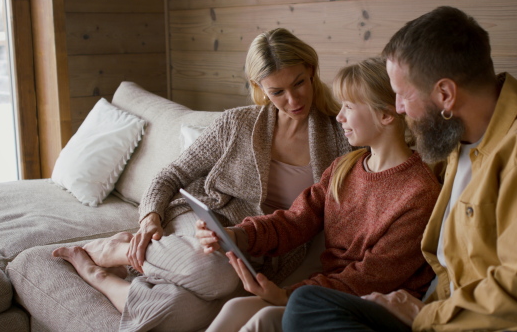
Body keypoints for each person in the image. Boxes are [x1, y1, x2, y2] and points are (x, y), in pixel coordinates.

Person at [282, 6, 517, 332]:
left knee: (304, 308)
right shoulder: (455, 138)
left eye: (400, 95)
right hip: (440, 312)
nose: (397, 109)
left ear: (444, 94)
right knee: (307, 304)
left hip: (494, 323)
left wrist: (422, 315)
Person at [51, 28, 353, 332]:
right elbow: (171, 175)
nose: (292, 99)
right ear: (260, 88)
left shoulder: (342, 137)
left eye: (299, 83)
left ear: (311, 71)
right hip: (203, 223)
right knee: (216, 276)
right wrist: (150, 219)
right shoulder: (237, 123)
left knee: (183, 313)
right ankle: (117, 250)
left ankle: (98, 276)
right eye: (277, 91)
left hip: (261, 251)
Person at [197, 57, 441, 332]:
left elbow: (371, 278)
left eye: (348, 106)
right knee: (235, 307)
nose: (339, 116)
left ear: (386, 115)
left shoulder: (418, 194)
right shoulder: (344, 167)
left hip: (373, 309)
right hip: (326, 295)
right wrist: (238, 235)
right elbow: (295, 220)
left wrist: (288, 295)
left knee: (264, 320)